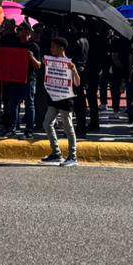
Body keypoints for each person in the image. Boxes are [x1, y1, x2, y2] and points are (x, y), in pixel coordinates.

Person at [39, 35, 81, 167]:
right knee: (47, 124)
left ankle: (73, 157)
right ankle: (56, 153)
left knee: (68, 128)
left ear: (61, 48)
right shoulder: (51, 61)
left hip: (65, 100)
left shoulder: (70, 63)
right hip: (53, 98)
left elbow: (78, 83)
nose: (51, 49)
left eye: (53, 47)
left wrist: (73, 70)